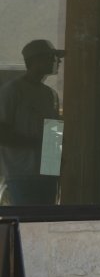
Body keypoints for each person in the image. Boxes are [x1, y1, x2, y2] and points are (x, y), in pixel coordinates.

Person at [0, 39, 64, 207]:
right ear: (36, 61)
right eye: (51, 57)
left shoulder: (50, 95)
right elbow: (2, 133)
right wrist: (37, 143)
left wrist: (54, 172)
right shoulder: (12, 91)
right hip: (21, 175)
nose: (57, 61)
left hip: (47, 177)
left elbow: (53, 135)